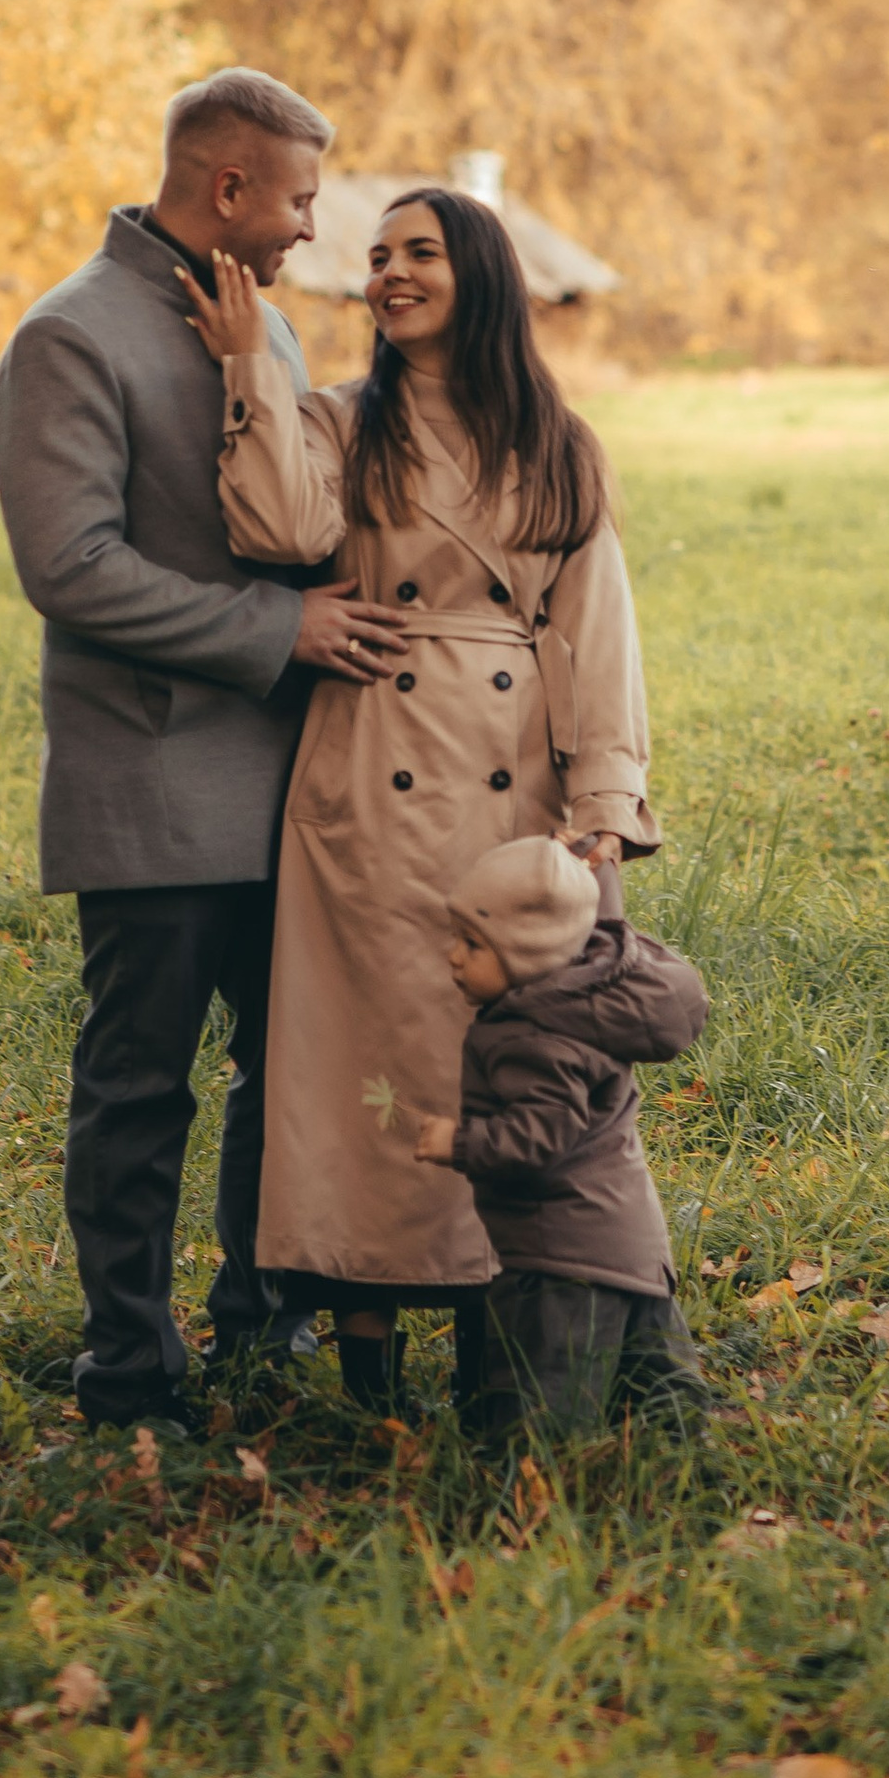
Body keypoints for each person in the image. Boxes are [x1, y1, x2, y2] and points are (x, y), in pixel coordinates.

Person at [180, 184, 656, 1410]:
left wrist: (604, 793)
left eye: (420, 252)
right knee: (368, 1067)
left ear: (480, 273)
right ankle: (367, 1364)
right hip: (369, 790)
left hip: (518, 802)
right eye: (378, 255)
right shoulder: (342, 419)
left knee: (513, 1065)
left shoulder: (559, 441)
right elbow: (280, 528)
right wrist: (246, 369)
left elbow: (592, 633)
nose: (389, 272)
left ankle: (524, 1337)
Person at [0, 68, 407, 1432]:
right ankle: (126, 1367)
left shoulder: (260, 328)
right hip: (155, 784)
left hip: (294, 788)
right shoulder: (69, 334)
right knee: (138, 1086)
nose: (306, 227)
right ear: (227, 187)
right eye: (294, 199)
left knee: (286, 1079)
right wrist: (277, 629)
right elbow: (71, 569)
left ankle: (259, 1323)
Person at [414, 832, 710, 1441]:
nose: (453, 956)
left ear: (525, 954)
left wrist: (459, 1142)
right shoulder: (588, 1005)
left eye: (473, 943)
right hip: (630, 1241)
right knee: (657, 1384)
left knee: (540, 1397)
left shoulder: (530, 1037)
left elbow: (536, 1142)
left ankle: (525, 1503)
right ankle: (685, 1476)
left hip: (562, 1256)